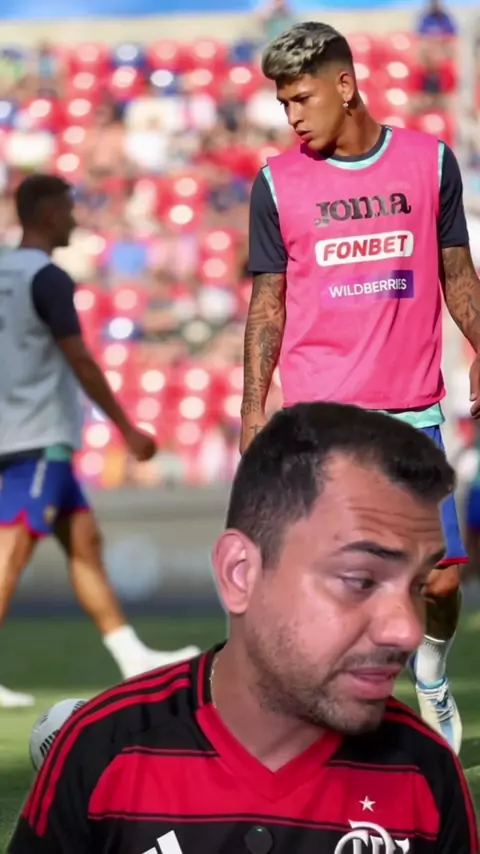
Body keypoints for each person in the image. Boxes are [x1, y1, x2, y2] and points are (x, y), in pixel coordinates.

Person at [8, 403, 478, 854]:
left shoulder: (427, 774)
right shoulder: (102, 749)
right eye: (358, 580)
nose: (406, 631)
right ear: (241, 574)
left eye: (415, 586)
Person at [241, 20, 480, 754]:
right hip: (321, 421)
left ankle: (430, 672)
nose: (293, 116)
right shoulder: (277, 183)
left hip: (412, 413)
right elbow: (269, 303)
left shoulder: (429, 162)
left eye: (302, 98)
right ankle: (334, 726)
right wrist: (253, 408)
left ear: (345, 85)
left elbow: (457, 272)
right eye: (284, 103)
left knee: (440, 585)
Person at [0, 174, 199, 708]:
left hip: (13, 430)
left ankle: (130, 655)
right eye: (67, 209)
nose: (74, 218)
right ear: (47, 213)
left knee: (85, 546)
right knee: (12, 549)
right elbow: (80, 358)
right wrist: (127, 429)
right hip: (39, 434)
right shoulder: (48, 277)